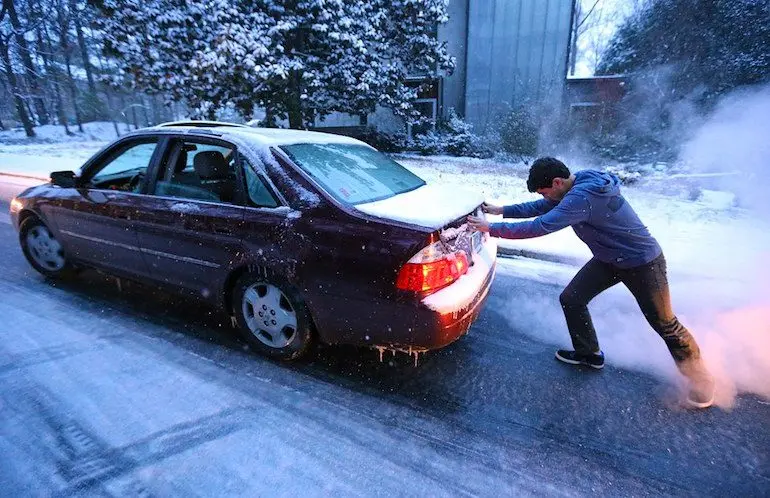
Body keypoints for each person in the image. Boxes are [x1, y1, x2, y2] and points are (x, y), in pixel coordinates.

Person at [467, 157, 715, 409]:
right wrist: (502, 211)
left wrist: (491, 228)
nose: (547, 198)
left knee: (665, 323)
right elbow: (543, 207)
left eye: (547, 192)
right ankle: (588, 354)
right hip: (609, 259)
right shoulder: (576, 184)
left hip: (643, 263)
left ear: (557, 182)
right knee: (572, 298)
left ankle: (702, 382)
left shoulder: (582, 198)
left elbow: (541, 225)